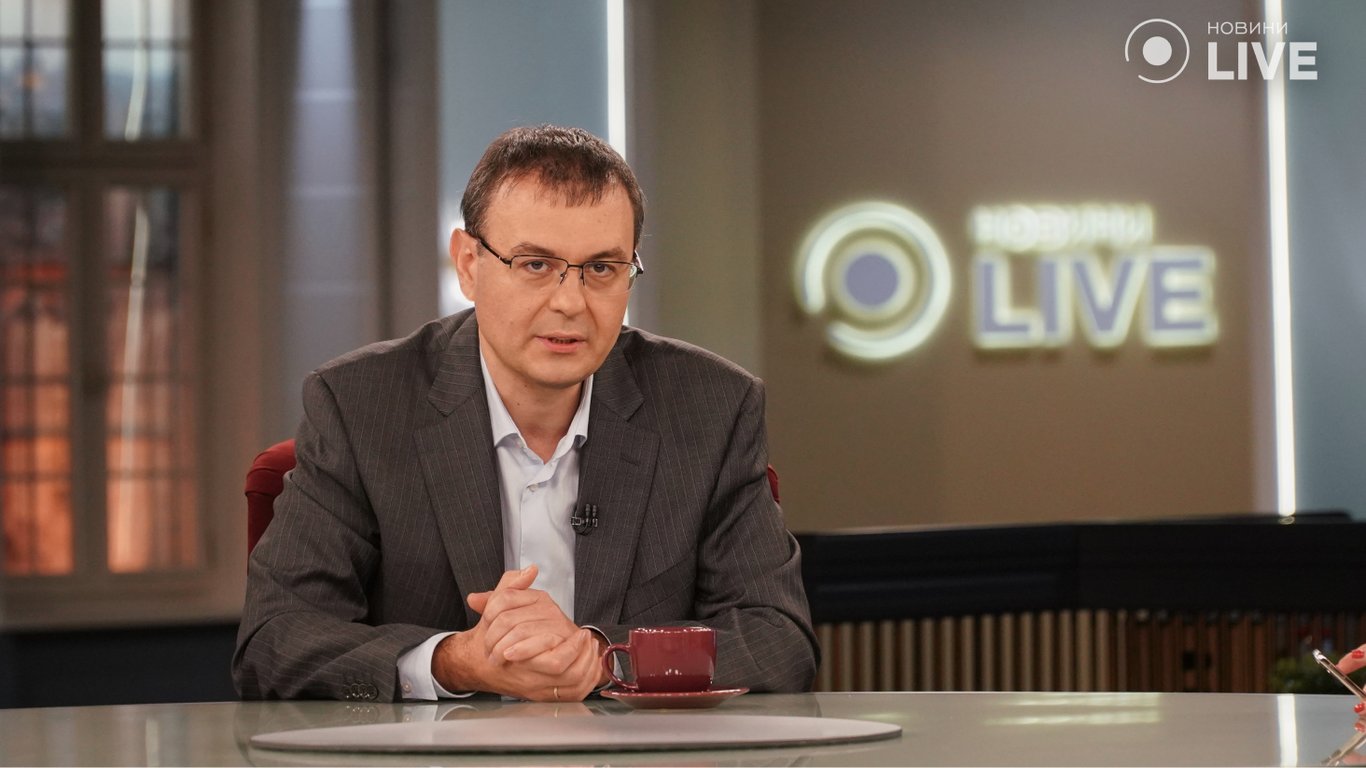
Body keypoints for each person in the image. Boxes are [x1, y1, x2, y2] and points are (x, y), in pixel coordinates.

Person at [232, 124, 818, 702]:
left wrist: (602, 658)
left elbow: (778, 639)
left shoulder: (710, 407)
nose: (570, 302)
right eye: (536, 264)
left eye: (602, 268)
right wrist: (456, 662)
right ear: (468, 264)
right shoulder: (361, 405)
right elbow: (275, 640)